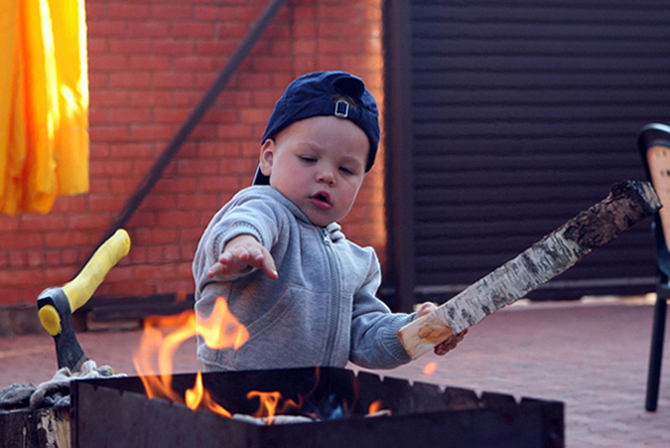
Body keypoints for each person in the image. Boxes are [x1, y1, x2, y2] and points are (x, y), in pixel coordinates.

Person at [192, 71, 466, 371]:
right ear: (269, 158)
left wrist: (419, 330)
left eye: (346, 170)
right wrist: (243, 245)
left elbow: (366, 341)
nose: (327, 175)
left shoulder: (356, 262)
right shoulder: (267, 210)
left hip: (318, 405)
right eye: (309, 159)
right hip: (241, 399)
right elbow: (244, 220)